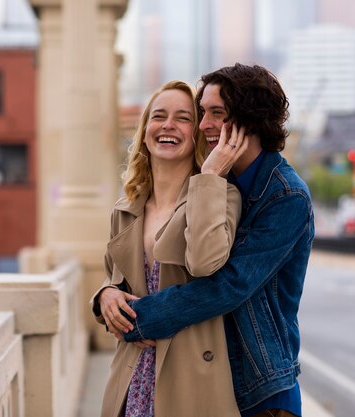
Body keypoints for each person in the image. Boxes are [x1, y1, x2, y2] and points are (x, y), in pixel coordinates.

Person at [101, 64, 315, 417]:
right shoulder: (215, 180)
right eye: (202, 113)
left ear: (251, 119)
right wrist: (106, 297)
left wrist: (137, 318)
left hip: (260, 386)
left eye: (217, 113)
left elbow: (227, 285)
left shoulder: (285, 196)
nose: (203, 126)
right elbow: (127, 271)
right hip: (209, 374)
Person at [92, 80, 249, 417]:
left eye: (183, 118)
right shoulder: (126, 209)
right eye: (158, 116)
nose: (168, 125)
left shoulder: (222, 195)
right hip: (132, 378)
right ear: (145, 130)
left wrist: (209, 177)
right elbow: (115, 280)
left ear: (196, 133)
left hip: (190, 379)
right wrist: (105, 295)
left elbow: (206, 263)